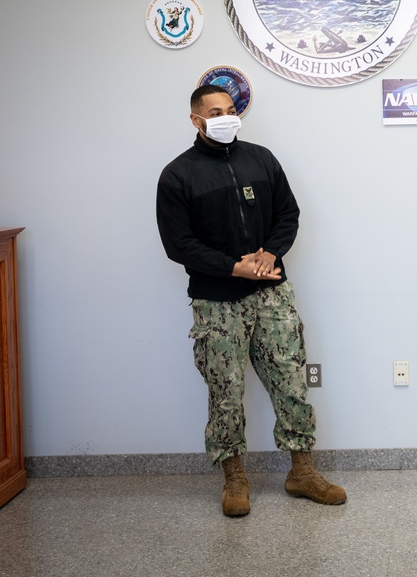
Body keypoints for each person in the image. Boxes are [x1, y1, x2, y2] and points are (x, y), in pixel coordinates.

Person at [156, 84, 346, 517]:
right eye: (215, 112)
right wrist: (231, 267)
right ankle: (234, 479)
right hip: (217, 301)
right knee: (225, 391)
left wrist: (270, 252)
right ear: (196, 120)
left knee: (292, 383)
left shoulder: (261, 159)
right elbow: (178, 243)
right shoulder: (177, 175)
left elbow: (288, 214)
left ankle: (301, 472)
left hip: (272, 292)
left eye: (230, 109)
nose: (226, 117)